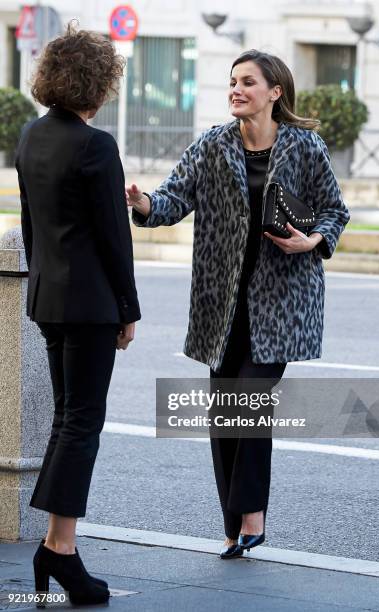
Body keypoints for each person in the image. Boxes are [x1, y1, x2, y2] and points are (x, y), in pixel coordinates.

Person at [128, 49, 349, 559]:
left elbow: (335, 211)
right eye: (232, 81)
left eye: (247, 81)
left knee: (249, 399)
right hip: (220, 305)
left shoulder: (306, 147)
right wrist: (142, 203)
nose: (236, 89)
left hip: (284, 301)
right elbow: (171, 201)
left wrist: (312, 240)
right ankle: (233, 526)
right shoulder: (212, 144)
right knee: (224, 413)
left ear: (274, 92)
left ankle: (252, 514)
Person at [15, 23, 141, 605]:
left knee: (67, 419)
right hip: (90, 304)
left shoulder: (30, 136)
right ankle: (59, 550)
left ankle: (55, 545)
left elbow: (34, 230)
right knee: (80, 423)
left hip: (48, 300)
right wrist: (128, 309)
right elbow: (116, 237)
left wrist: (41, 285)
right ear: (99, 82)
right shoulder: (97, 145)